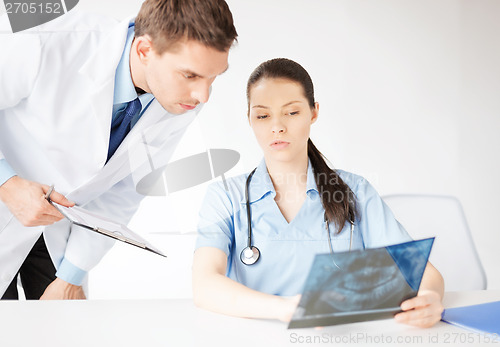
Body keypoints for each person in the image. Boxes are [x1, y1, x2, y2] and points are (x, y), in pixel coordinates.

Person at [0, 0, 237, 300]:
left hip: (56, 232)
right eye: (190, 75)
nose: (203, 95)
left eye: (214, 76)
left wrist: (71, 275)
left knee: (59, 332)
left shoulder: (181, 100)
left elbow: (126, 189)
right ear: (144, 50)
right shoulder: (51, 40)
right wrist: (6, 184)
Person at [192, 58, 444, 328]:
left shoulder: (354, 191)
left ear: (314, 113)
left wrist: (430, 298)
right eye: (263, 115)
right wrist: (286, 309)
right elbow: (204, 284)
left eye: (291, 112)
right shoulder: (225, 196)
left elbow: (424, 273)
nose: (277, 126)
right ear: (250, 119)